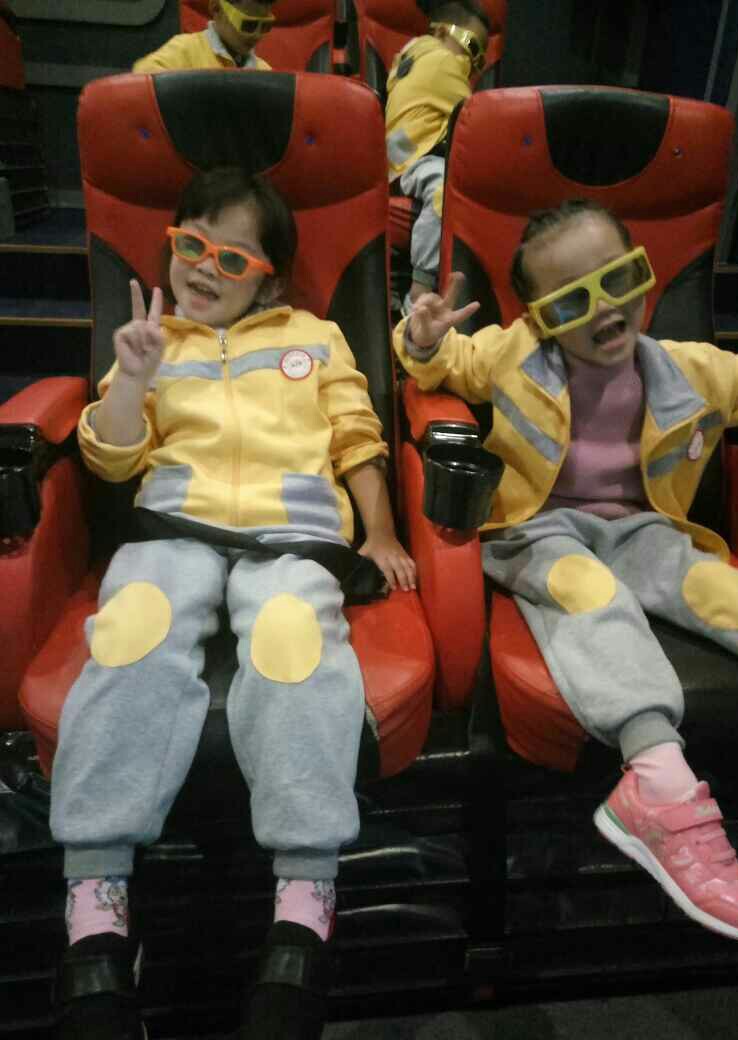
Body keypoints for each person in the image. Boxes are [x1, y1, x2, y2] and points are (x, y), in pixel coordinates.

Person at [50, 165, 416, 1040]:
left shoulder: (314, 336)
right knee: (134, 630)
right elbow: (110, 459)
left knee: (292, 636)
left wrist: (380, 532)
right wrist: (132, 377)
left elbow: (356, 436)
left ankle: (305, 897)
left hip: (293, 539)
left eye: (232, 257)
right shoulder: (152, 338)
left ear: (270, 280)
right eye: (192, 245)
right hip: (172, 530)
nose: (204, 267)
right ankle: (95, 904)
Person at [394, 197, 738, 944]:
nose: (605, 310)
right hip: (536, 529)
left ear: (644, 274)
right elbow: (444, 364)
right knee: (591, 595)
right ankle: (658, 786)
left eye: (619, 280)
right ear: (539, 319)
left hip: (642, 529)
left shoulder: (688, 371)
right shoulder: (514, 355)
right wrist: (422, 335)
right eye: (573, 302)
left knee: (725, 590)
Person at [384, 0, 489, 314]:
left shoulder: (411, 54)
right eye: (471, 46)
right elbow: (480, 118)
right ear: (442, 32)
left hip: (399, 159)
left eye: (481, 58)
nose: (473, 61)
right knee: (446, 189)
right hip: (418, 157)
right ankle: (420, 292)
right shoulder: (442, 62)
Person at [133, 0, 276, 73]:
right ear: (216, 8)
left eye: (265, 26)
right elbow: (142, 78)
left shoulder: (264, 71)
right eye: (248, 25)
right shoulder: (184, 50)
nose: (257, 35)